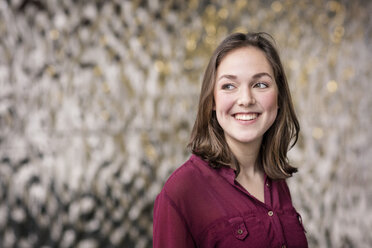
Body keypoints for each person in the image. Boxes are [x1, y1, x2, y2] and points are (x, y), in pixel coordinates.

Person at [153, 32, 308, 248]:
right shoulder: (181, 192)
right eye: (229, 86)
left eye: (260, 84)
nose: (246, 99)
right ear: (213, 100)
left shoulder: (276, 180)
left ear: (279, 96)